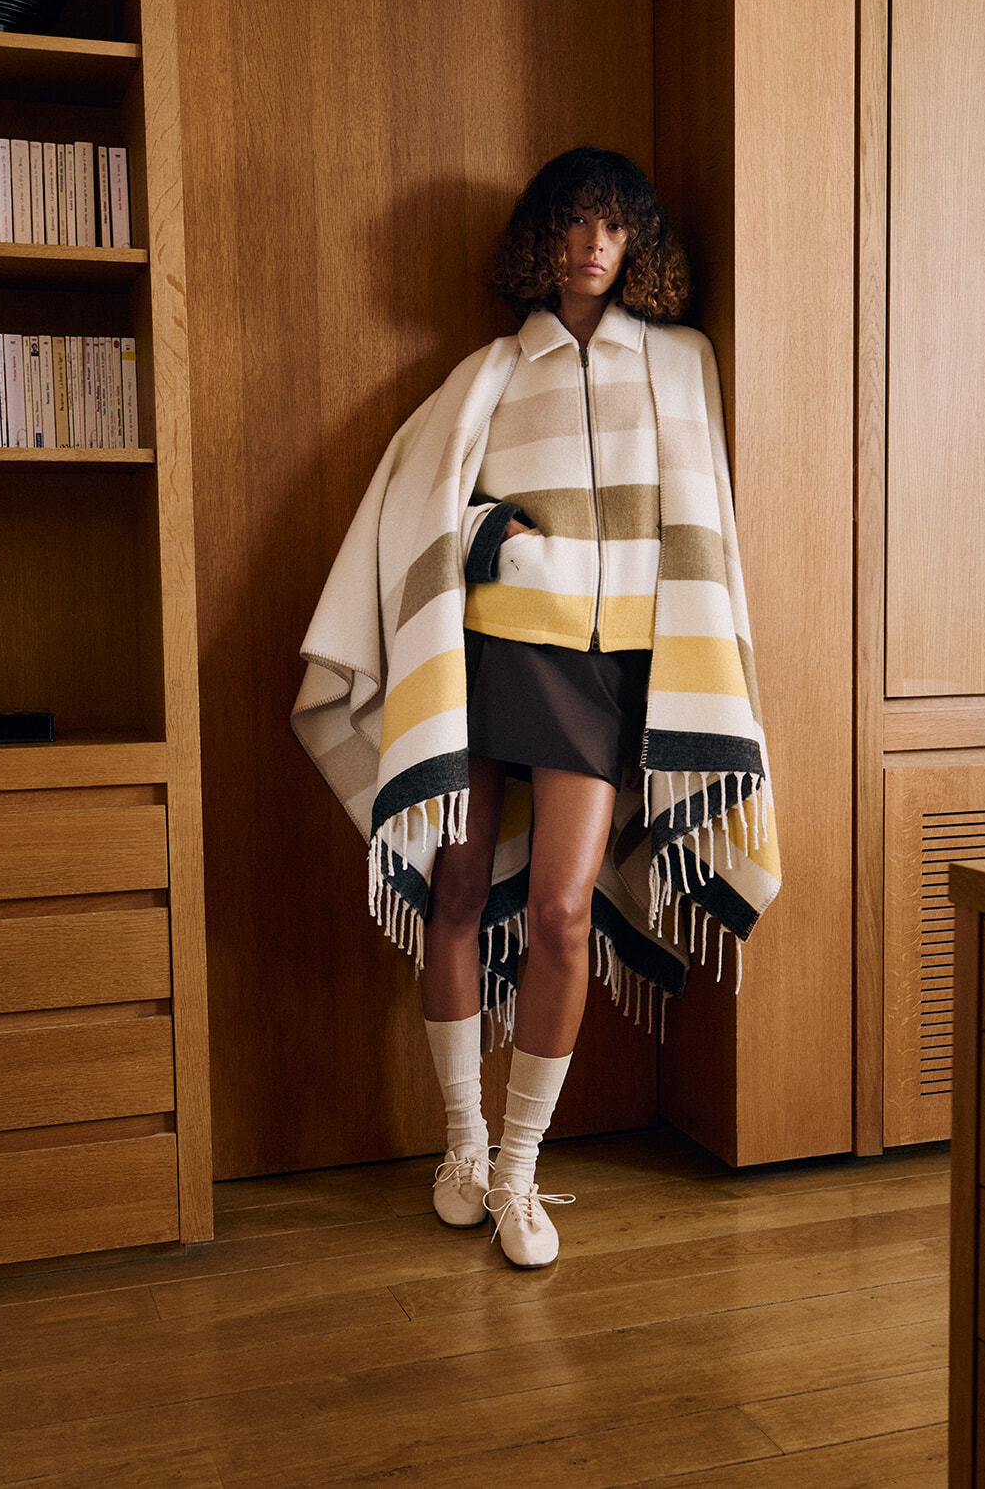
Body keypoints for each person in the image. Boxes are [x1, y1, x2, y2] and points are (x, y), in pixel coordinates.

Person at [293, 147, 780, 1270]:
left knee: (560, 913)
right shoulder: (491, 372)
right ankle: (459, 1152)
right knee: (459, 886)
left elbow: (700, 515)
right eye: (574, 224)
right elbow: (418, 509)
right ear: (543, 238)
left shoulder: (680, 362)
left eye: (613, 227)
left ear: (638, 243)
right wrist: (493, 537)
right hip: (496, 653)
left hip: (609, 670)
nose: (593, 246)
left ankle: (518, 1170)